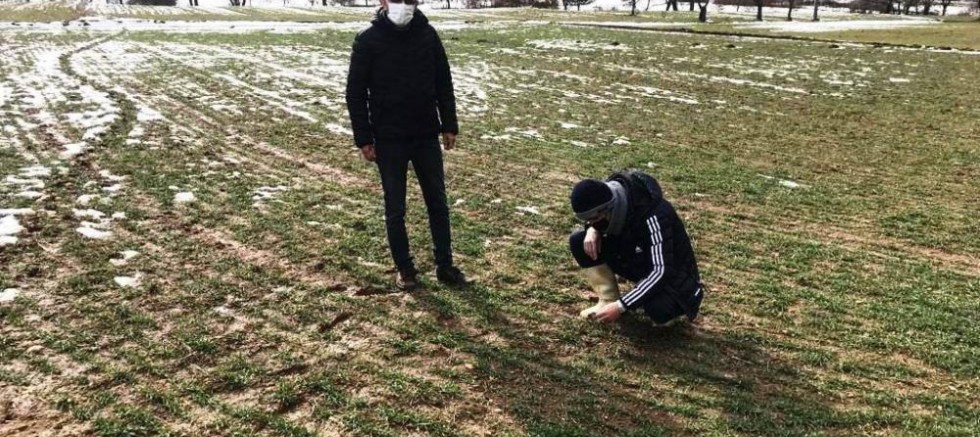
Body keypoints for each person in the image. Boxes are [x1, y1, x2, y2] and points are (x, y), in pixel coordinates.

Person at [345, 0, 466, 291]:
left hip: (425, 135)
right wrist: (364, 138)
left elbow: (443, 82)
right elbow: (355, 93)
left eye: (411, 0)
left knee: (437, 203)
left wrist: (448, 124)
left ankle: (445, 266)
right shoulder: (368, 39)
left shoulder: (428, 35)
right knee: (395, 208)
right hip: (388, 140)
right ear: (383, 2)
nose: (405, 6)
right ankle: (405, 268)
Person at [568, 170, 704, 325]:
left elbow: (661, 270)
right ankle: (608, 299)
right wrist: (593, 230)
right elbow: (597, 221)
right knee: (580, 240)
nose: (591, 223)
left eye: (594, 219)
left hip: (676, 279)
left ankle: (671, 312)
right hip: (643, 259)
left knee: (659, 309)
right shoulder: (614, 200)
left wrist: (621, 306)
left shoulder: (654, 215)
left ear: (610, 208)